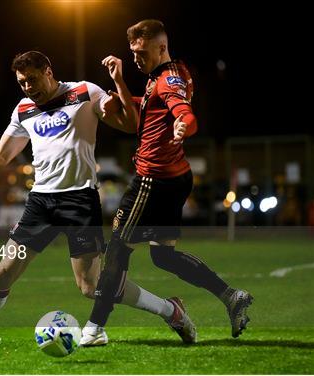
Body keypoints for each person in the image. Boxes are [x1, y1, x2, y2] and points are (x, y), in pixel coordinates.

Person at [0, 51, 196, 344]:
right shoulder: (24, 109)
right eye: (21, 82)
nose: (28, 87)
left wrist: (117, 85)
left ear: (48, 71)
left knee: (91, 287)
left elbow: (130, 125)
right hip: (40, 202)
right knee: (5, 270)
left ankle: (171, 310)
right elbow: (0, 155)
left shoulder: (84, 92)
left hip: (80, 201)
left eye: (32, 79)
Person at [81, 20, 253, 345]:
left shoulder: (167, 80)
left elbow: (184, 113)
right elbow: (151, 108)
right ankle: (231, 296)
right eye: (132, 52)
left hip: (153, 179)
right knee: (164, 257)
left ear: (161, 46)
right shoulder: (168, 73)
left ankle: (95, 327)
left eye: (141, 52)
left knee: (117, 248)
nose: (136, 58)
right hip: (175, 177)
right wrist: (118, 87)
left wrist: (182, 126)